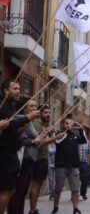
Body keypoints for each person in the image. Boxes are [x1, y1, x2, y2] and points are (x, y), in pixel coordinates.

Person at [0, 80, 39, 213]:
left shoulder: (9, 105)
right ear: (6, 90)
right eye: (15, 89)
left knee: (12, 190)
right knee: (9, 189)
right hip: (5, 154)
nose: (18, 91)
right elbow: (9, 124)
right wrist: (27, 118)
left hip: (11, 154)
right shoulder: (3, 105)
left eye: (19, 89)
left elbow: (10, 128)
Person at [8, 97, 44, 214]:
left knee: (23, 193)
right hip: (24, 159)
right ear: (24, 109)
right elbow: (22, 139)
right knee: (18, 192)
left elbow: (34, 137)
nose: (35, 108)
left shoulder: (29, 121)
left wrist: (43, 134)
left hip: (30, 159)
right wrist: (34, 141)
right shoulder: (20, 119)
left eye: (35, 106)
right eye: (31, 106)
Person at [51, 117, 87, 214]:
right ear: (63, 125)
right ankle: (55, 207)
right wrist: (64, 132)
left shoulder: (76, 135)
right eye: (66, 123)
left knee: (75, 188)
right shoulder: (60, 134)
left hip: (74, 166)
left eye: (70, 123)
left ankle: (75, 208)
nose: (68, 125)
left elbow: (84, 141)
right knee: (58, 188)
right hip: (61, 166)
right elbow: (57, 142)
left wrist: (80, 128)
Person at [29, 104, 59, 214]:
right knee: (36, 185)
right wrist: (55, 137)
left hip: (43, 159)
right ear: (40, 113)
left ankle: (34, 208)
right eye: (45, 112)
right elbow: (40, 143)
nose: (48, 115)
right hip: (39, 159)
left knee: (38, 184)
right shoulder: (37, 124)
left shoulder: (43, 125)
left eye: (49, 112)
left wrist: (49, 133)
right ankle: (32, 210)